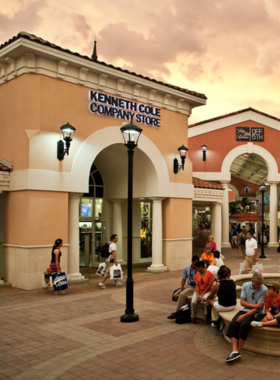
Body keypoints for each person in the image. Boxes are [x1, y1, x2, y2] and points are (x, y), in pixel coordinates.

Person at [225, 272, 267, 363]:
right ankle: (234, 351)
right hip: (244, 310)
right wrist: (255, 305)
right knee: (233, 323)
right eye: (257, 284)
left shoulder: (264, 290)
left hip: (254, 313)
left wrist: (245, 315)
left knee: (244, 325)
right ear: (252, 281)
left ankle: (238, 351)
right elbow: (242, 303)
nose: (259, 285)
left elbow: (258, 309)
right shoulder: (245, 285)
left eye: (261, 283)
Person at [167, 255, 199, 320]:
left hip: (195, 287)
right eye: (195, 262)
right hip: (188, 286)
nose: (195, 264)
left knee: (182, 294)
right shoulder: (186, 268)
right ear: (192, 261)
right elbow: (183, 279)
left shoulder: (198, 269)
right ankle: (183, 308)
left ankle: (177, 312)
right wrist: (182, 288)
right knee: (175, 295)